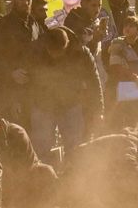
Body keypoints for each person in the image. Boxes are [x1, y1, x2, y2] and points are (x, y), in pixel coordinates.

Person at [29, 27, 103, 156]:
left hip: (71, 105)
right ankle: (43, 174)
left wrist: (98, 110)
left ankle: (74, 174)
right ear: (46, 45)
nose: (55, 55)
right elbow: (26, 78)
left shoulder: (81, 53)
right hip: (42, 106)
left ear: (68, 43)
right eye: (52, 52)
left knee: (75, 148)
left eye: (59, 52)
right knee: (40, 148)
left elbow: (94, 82)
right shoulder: (35, 51)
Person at [0, 0, 38, 124]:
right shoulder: (2, 26)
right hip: (8, 89)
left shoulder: (34, 24)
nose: (26, 2)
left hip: (32, 89)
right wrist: (11, 72)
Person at [108, 15, 138, 128]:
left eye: (131, 26)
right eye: (125, 26)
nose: (127, 28)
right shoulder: (118, 46)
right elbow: (115, 66)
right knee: (129, 124)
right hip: (126, 90)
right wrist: (133, 77)